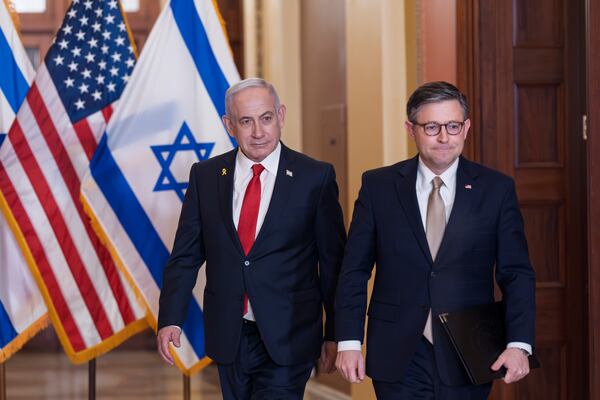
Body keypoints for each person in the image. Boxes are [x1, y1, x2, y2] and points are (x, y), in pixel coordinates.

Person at [334, 81, 536, 399]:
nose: (444, 137)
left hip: (468, 350)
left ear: (466, 128)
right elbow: (354, 271)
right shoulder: (379, 187)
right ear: (410, 129)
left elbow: (517, 273)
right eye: (431, 127)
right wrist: (347, 341)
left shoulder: (496, 190)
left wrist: (519, 344)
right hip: (397, 352)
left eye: (453, 126)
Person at [156, 77, 346, 399]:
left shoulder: (315, 178)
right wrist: (171, 317)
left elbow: (332, 264)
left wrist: (336, 334)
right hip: (229, 333)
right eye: (246, 121)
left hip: (290, 334)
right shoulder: (206, 177)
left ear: (281, 116)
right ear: (229, 125)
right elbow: (185, 256)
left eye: (266, 118)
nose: (258, 132)